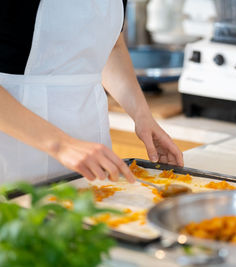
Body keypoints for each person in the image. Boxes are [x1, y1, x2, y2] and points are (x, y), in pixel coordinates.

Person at [0, 0, 183, 184]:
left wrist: (142, 115)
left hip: (90, 138)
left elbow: (112, 47)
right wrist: (62, 145)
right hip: (15, 143)